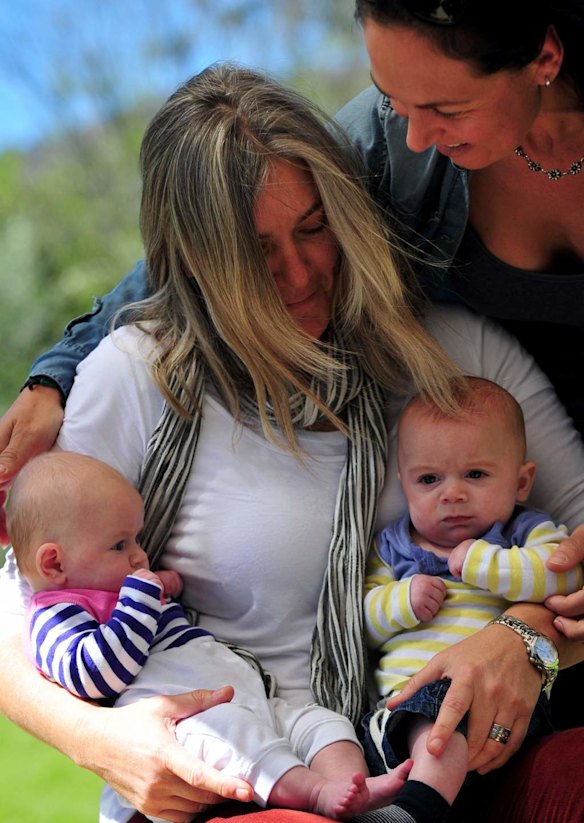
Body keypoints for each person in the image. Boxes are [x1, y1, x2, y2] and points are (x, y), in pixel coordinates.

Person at [0, 62, 584, 823]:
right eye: (257, 253)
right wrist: (100, 739)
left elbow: (576, 527)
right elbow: (19, 599)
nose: (302, 271)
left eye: (315, 228)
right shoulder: (139, 373)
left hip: (446, 755)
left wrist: (525, 634)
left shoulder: (450, 358)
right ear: (201, 262)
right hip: (244, 768)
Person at [344, 0, 584, 731]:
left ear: (545, 58)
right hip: (533, 523)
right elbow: (212, 239)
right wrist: (55, 378)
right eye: (393, 99)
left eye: (447, 107)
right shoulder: (391, 142)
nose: (416, 133)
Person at [8, 449, 413, 823]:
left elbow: (153, 600)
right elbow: (96, 675)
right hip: (189, 722)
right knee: (237, 738)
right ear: (54, 562)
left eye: (136, 540)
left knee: (319, 723)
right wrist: (140, 598)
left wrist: (158, 586)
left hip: (249, 694)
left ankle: (353, 787)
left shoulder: (119, 589)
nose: (139, 555)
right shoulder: (56, 614)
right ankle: (315, 794)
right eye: (119, 545)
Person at [361, 377, 583, 816]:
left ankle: (418, 808)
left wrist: (485, 564)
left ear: (521, 482)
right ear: (403, 486)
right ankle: (417, 801)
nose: (453, 493)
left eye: (476, 474)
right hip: (403, 708)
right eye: (429, 479)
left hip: (507, 709)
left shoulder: (524, 532)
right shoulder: (393, 547)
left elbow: (563, 577)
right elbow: (362, 624)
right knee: (430, 712)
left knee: (452, 706)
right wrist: (402, 600)